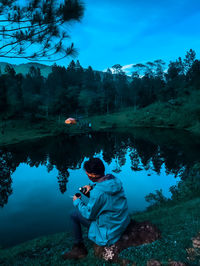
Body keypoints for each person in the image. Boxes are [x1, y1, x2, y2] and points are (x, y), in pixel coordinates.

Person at [62, 157, 130, 260]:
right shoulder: (115, 180)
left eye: (87, 173)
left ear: (92, 175)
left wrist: (77, 201)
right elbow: (107, 201)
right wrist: (91, 191)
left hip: (109, 232)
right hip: (121, 223)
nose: (86, 174)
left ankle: (79, 249)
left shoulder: (98, 193)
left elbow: (88, 214)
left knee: (74, 214)